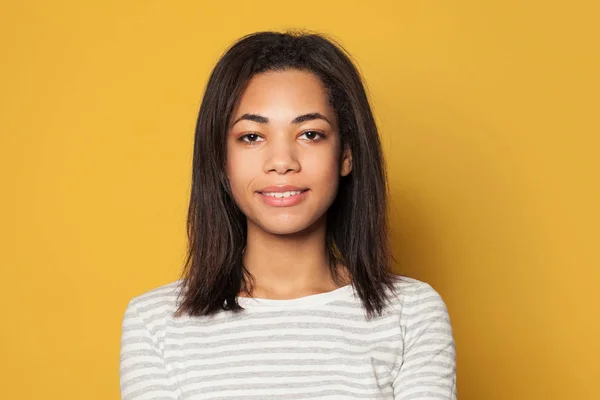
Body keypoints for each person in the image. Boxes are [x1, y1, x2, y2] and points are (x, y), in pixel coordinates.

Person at [119, 30, 457, 399]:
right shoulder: (154, 322)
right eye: (251, 137)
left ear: (346, 155)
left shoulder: (411, 313)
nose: (281, 162)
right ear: (220, 159)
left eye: (310, 134)